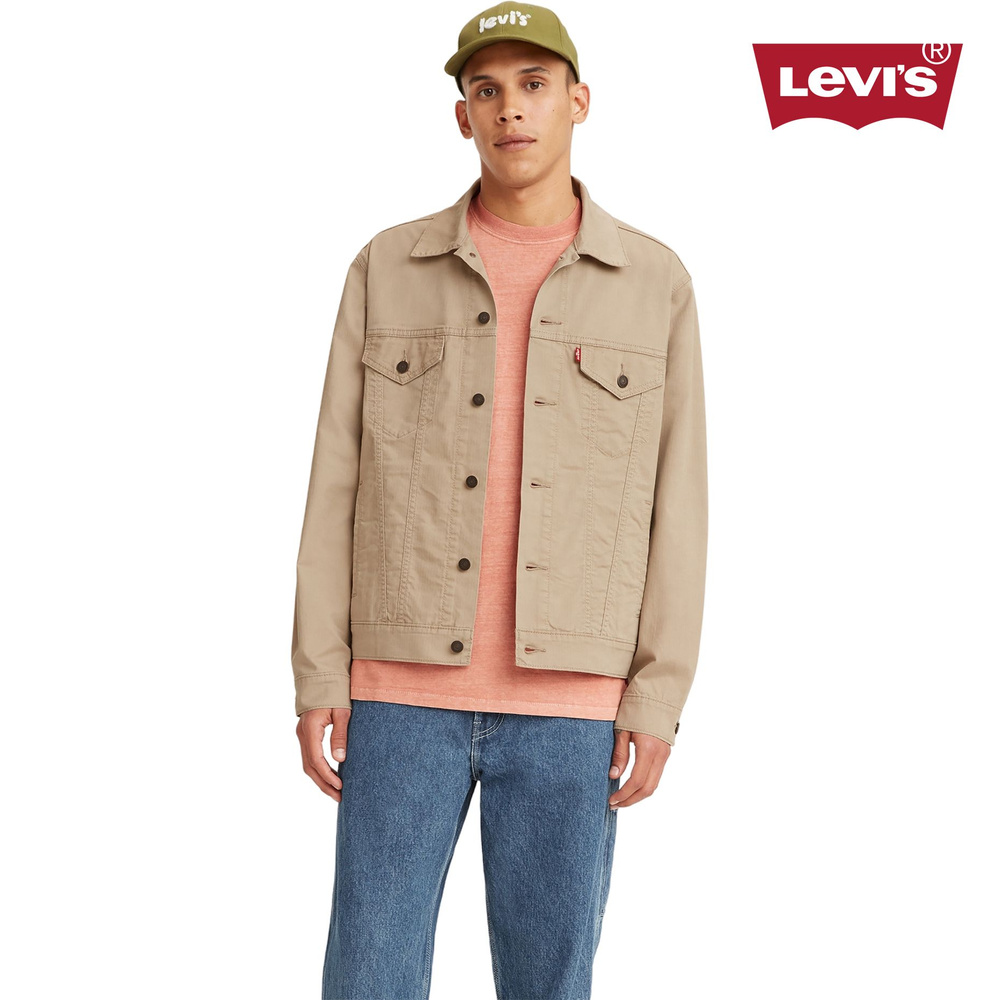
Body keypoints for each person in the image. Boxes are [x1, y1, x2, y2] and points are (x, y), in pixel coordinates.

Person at [290, 4, 709, 997]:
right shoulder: (387, 266)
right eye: (486, 90)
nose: (510, 109)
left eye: (532, 85)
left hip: (574, 705)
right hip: (398, 697)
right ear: (461, 115)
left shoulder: (652, 281)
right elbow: (335, 475)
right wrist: (317, 670)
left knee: (548, 983)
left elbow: (679, 501)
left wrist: (657, 694)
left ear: (579, 101)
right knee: (367, 975)